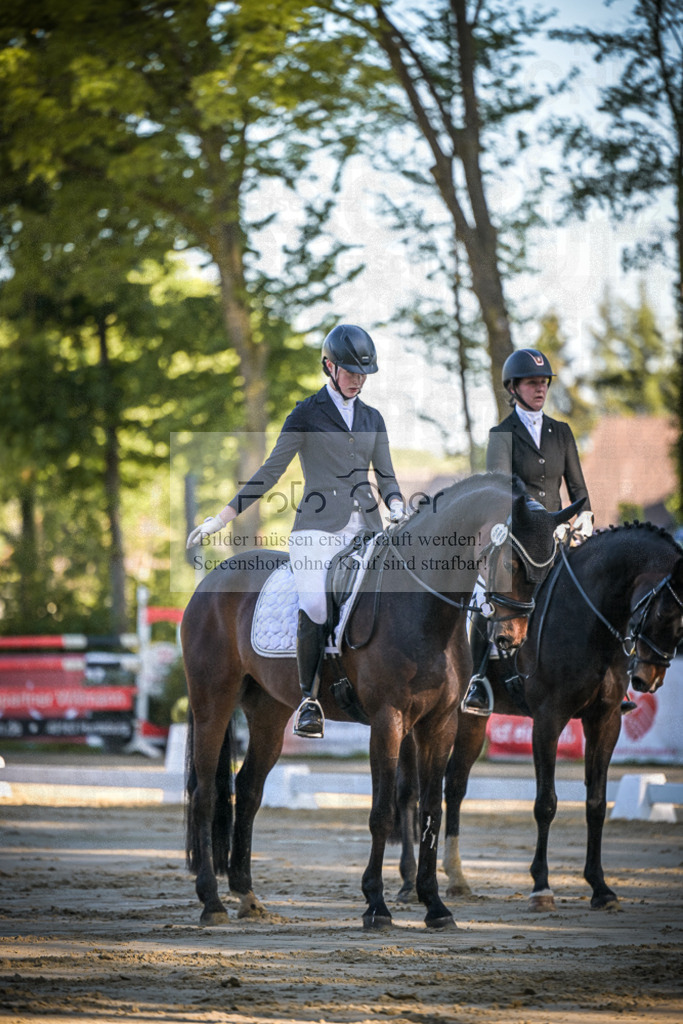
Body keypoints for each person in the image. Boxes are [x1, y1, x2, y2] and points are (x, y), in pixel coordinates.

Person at [186, 324, 406, 738]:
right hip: (317, 532)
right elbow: (270, 473)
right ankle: (309, 699)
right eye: (350, 372)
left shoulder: (373, 418)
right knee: (316, 603)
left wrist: (395, 505)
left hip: (368, 529)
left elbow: (388, 477)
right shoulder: (306, 414)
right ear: (329, 366)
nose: (358, 380)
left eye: (364, 374)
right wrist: (221, 518)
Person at [460, 348, 635, 715]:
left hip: (559, 537)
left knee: (599, 593)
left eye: (543, 382)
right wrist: (539, 522)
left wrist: (584, 516)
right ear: (514, 388)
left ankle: (613, 681)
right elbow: (501, 490)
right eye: (531, 383)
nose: (540, 389)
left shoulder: (562, 432)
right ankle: (477, 680)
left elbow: (577, 487)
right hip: (518, 537)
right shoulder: (501, 434)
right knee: (483, 594)